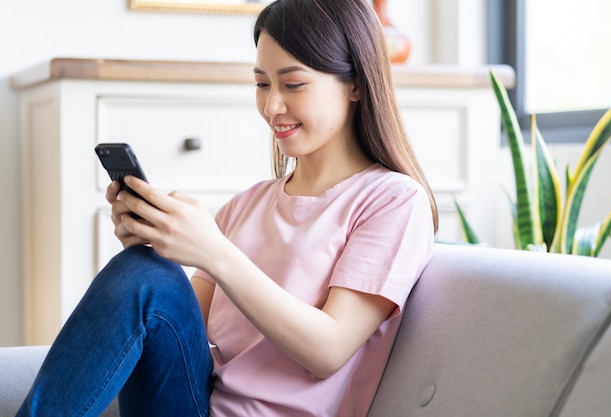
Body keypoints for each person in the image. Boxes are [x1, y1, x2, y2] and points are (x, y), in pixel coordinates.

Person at [16, 0, 438, 416]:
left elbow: (329, 349)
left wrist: (215, 252)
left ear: (356, 84)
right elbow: (178, 334)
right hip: (196, 403)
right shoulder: (247, 204)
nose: (272, 106)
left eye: (293, 84)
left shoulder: (393, 201)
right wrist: (151, 246)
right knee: (145, 272)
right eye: (261, 84)